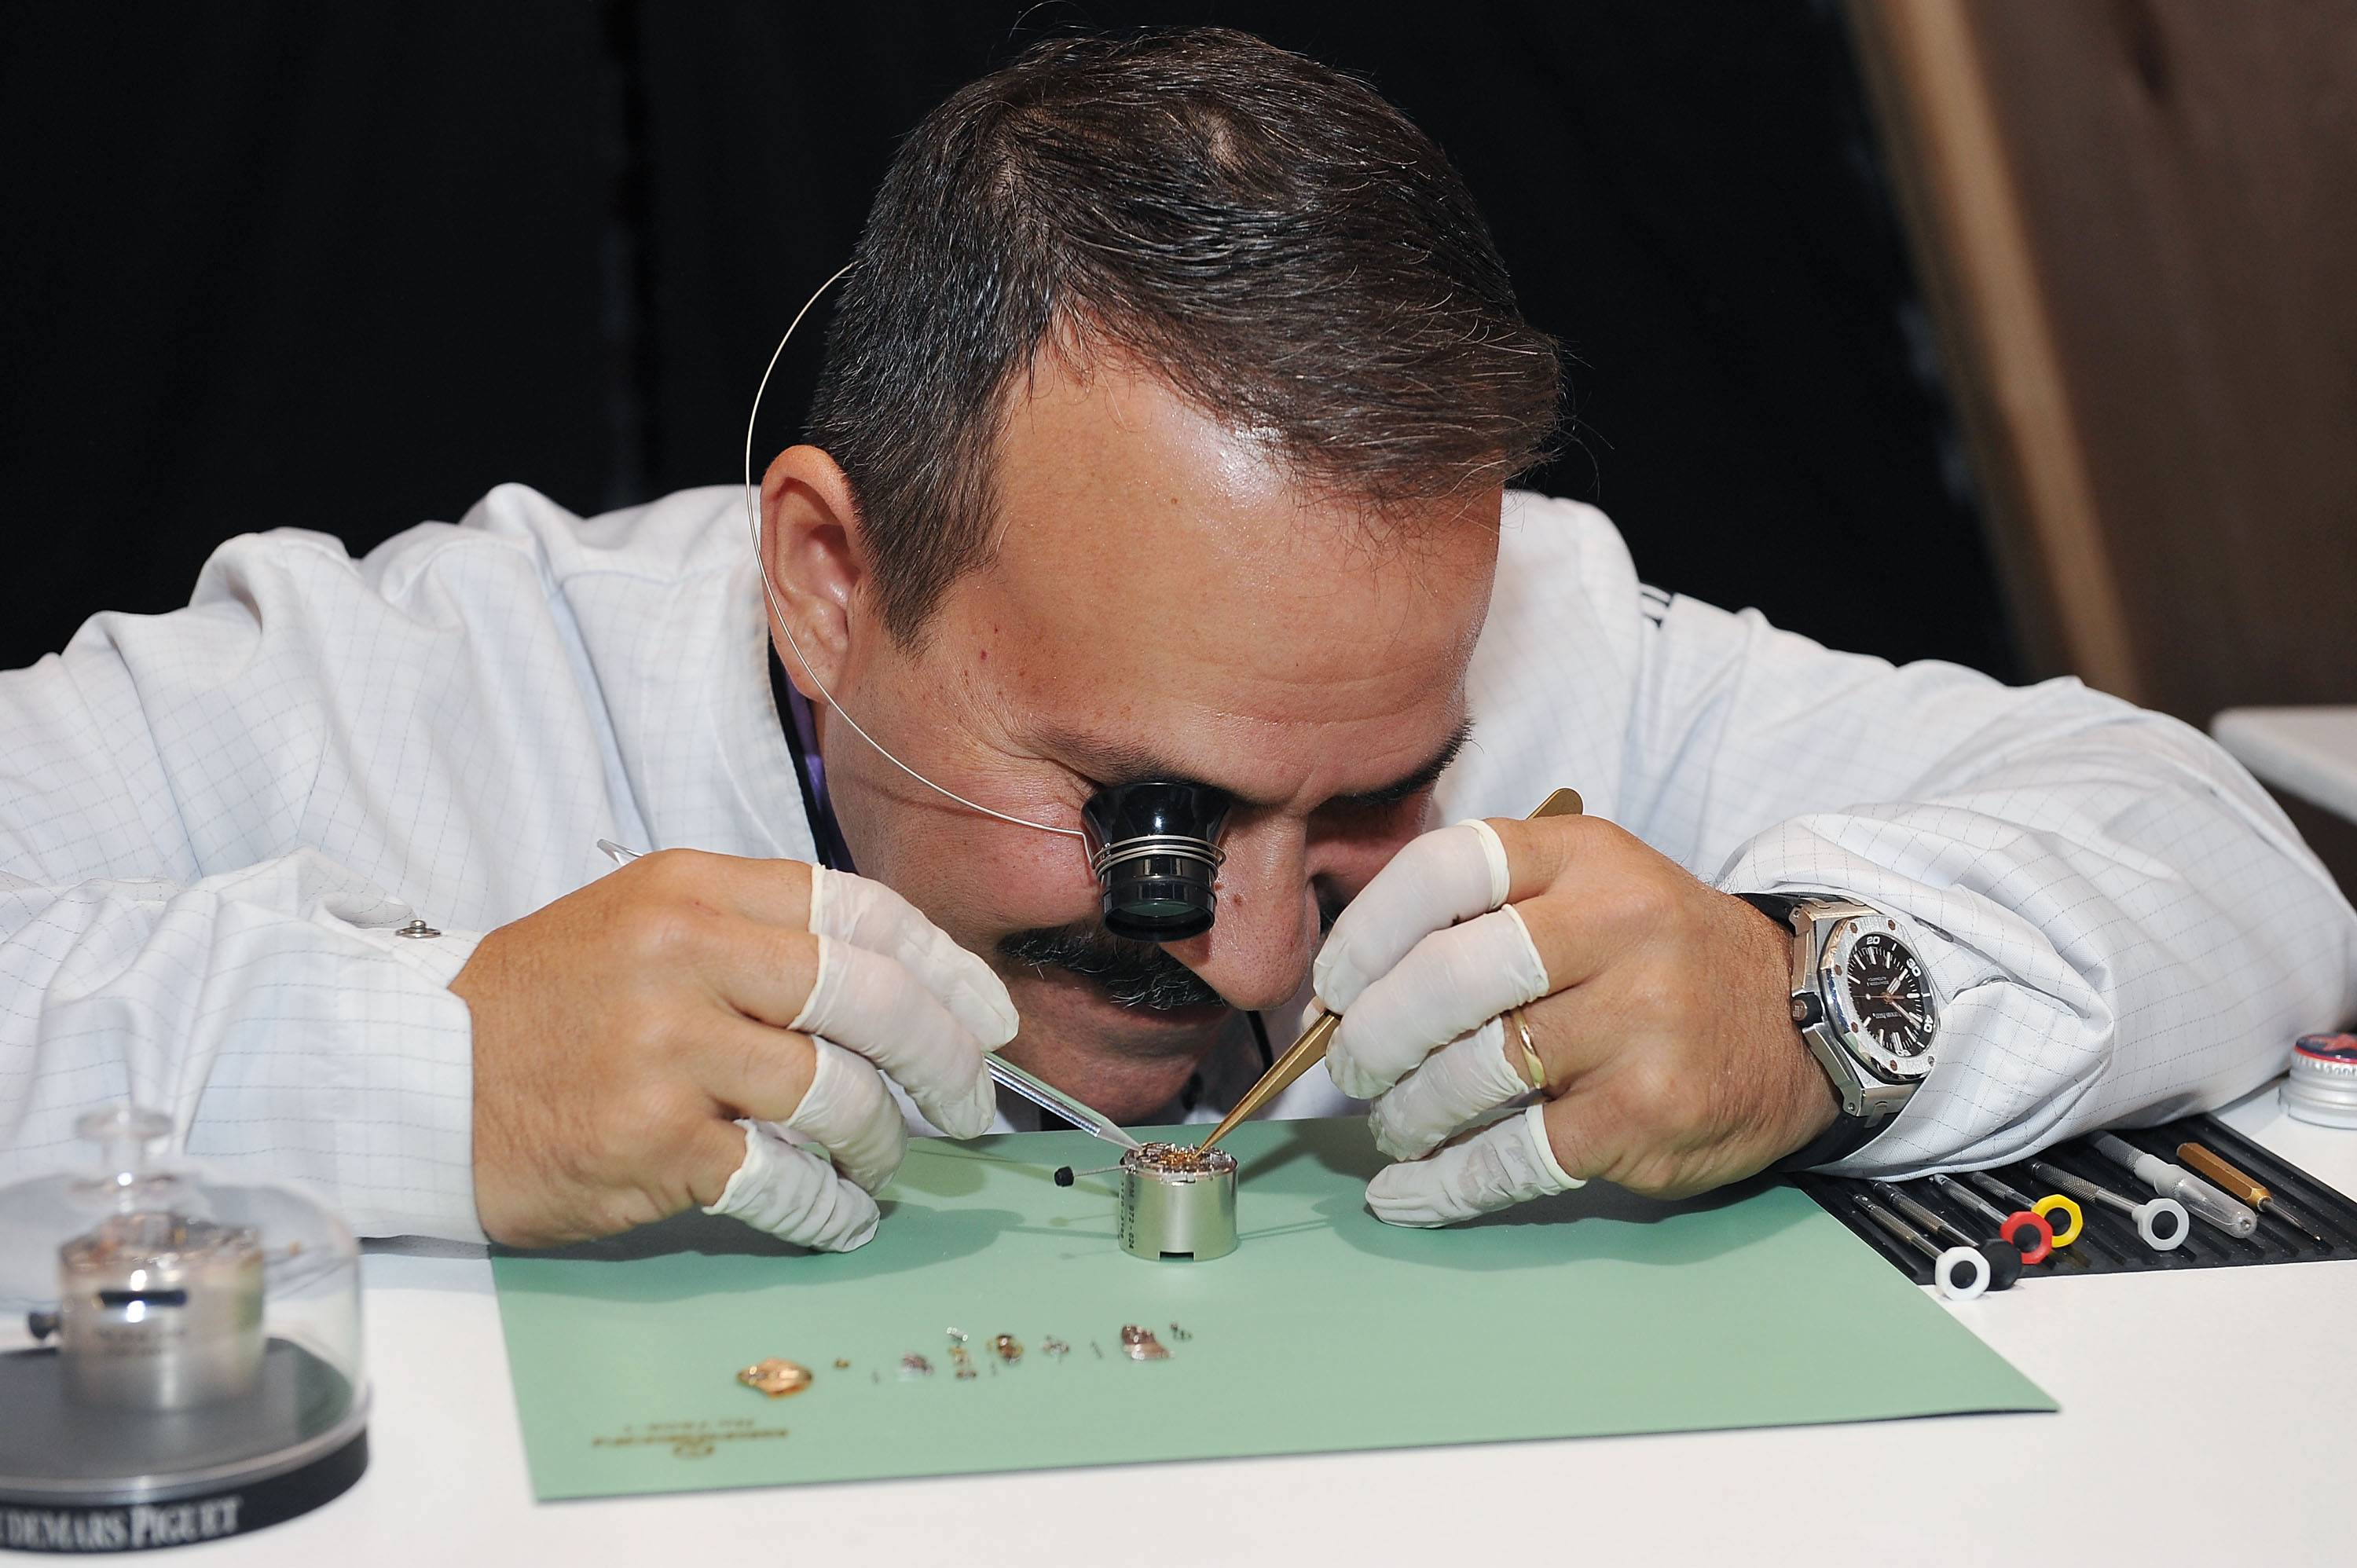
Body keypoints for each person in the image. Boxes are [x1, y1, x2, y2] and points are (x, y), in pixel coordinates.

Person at [2, 29, 2350, 1251]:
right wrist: (422, 1075)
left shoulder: (1549, 634)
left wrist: (1815, 999)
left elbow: (2221, 844)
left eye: (1372, 802)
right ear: (827, 581)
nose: (1251, 954)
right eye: (1148, 805)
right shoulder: (427, 685)